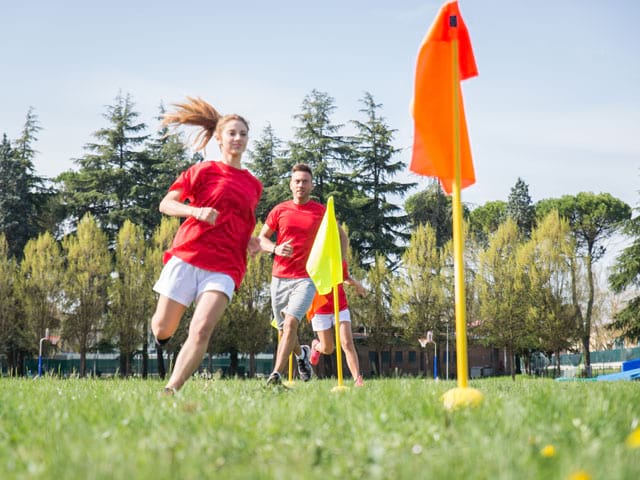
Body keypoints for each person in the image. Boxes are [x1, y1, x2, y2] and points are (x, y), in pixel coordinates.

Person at [150, 97, 262, 395]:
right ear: (219, 139)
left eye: (243, 134)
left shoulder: (254, 184)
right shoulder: (202, 171)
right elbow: (166, 204)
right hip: (189, 255)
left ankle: (171, 389)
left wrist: (252, 241)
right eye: (232, 133)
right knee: (162, 328)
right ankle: (161, 338)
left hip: (226, 266)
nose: (238, 138)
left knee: (200, 329)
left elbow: (242, 221)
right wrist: (195, 212)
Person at [258, 163, 348, 385]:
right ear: (291, 184)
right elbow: (261, 239)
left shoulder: (321, 212)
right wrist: (275, 249)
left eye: (305, 181)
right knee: (283, 329)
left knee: (290, 324)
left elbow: (342, 238)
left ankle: (275, 374)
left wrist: (340, 266)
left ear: (311, 185)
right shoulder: (279, 210)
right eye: (297, 181)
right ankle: (302, 354)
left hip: (307, 278)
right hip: (279, 277)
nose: (300, 185)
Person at [308, 261, 367, 386]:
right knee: (328, 348)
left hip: (340, 307)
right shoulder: (314, 257)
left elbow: (344, 277)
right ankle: (316, 346)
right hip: (320, 308)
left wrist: (357, 284)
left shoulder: (338, 258)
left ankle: (357, 379)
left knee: (347, 342)